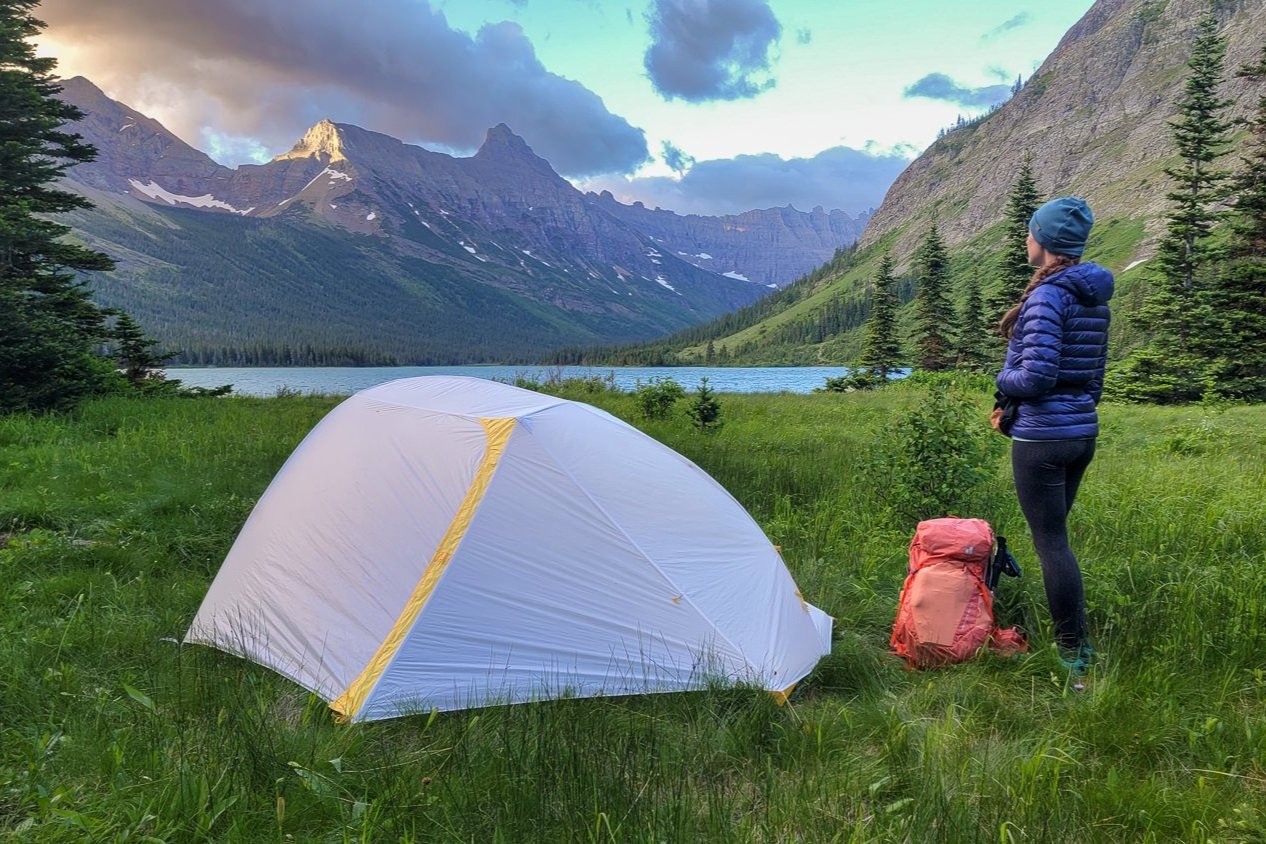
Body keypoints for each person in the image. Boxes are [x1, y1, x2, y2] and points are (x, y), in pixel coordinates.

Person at [996, 196, 1113, 675]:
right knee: (1056, 538)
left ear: (1044, 242)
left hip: (1042, 439)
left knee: (1052, 544)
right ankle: (1073, 640)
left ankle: (1073, 651)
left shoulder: (1047, 296)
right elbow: (1095, 381)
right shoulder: (1093, 298)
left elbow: (1037, 377)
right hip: (1081, 433)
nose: (1027, 239)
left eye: (1030, 233)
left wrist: (1002, 383)